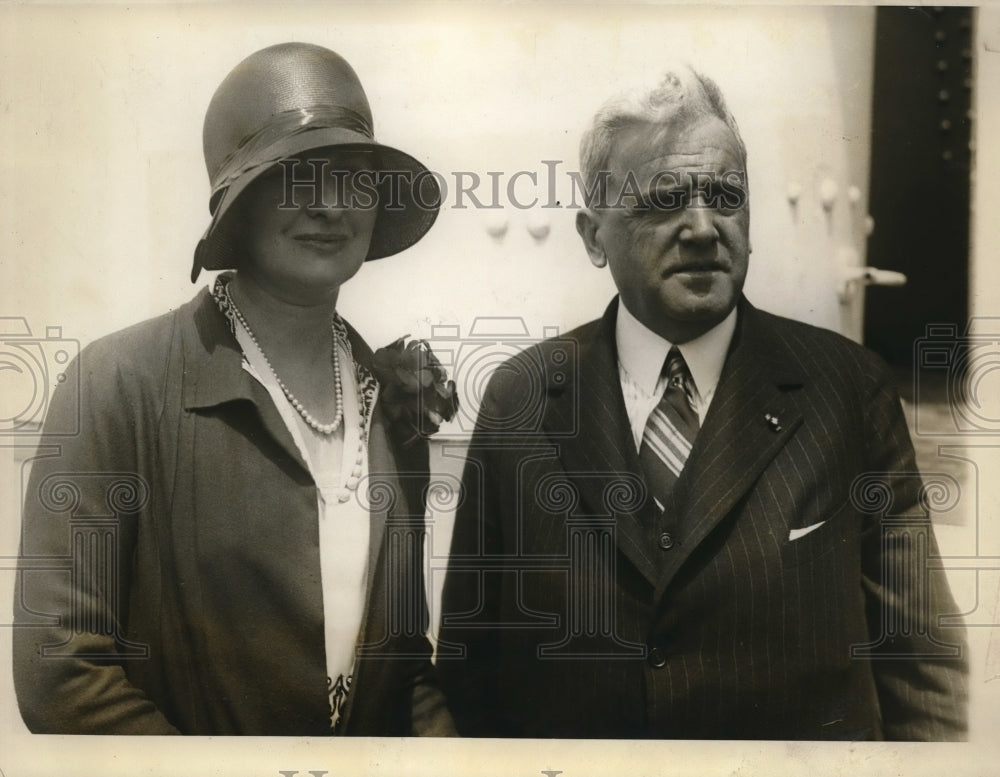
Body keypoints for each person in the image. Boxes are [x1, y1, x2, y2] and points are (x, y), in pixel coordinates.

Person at [437, 66, 969, 739]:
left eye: (725, 196)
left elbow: (922, 671)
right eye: (664, 200)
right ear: (593, 236)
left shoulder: (847, 391)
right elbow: (471, 670)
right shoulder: (523, 398)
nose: (702, 228)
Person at [13, 42, 457, 736]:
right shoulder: (120, 383)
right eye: (295, 176)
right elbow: (63, 670)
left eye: (353, 177)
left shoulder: (391, 402)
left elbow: (402, 670)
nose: (329, 205)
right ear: (237, 204)